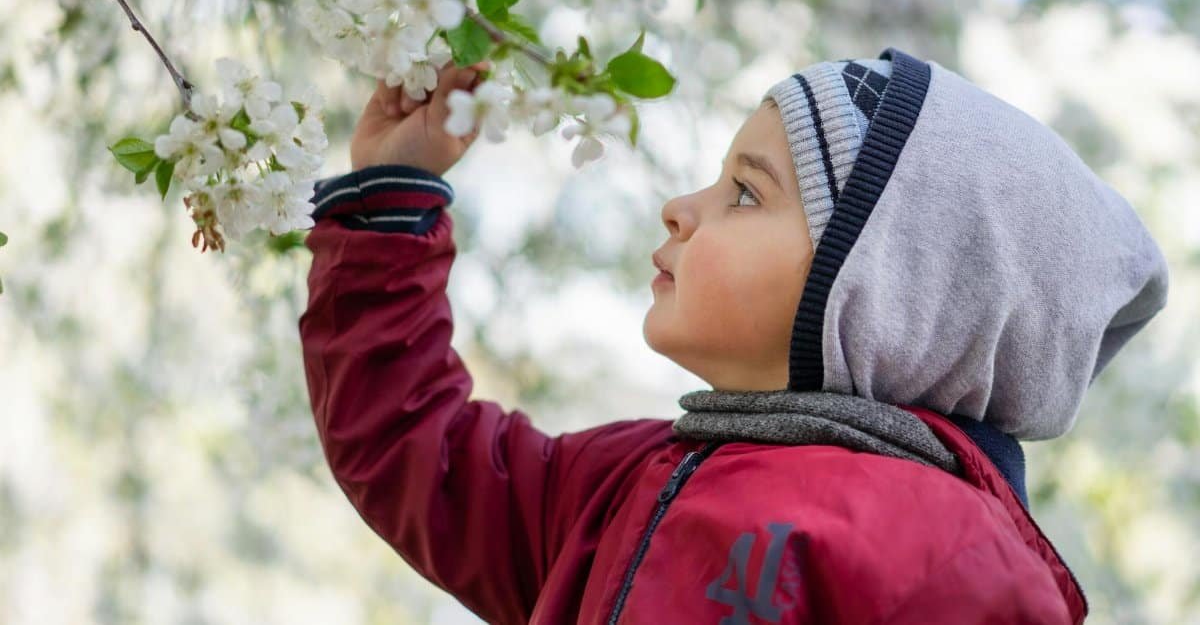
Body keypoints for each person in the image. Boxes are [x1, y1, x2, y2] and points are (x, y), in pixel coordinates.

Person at [297, 47, 1169, 624]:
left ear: (887, 300)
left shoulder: (951, 558)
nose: (682, 207)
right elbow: (425, 457)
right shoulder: (624, 480)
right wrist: (392, 190)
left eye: (745, 193)